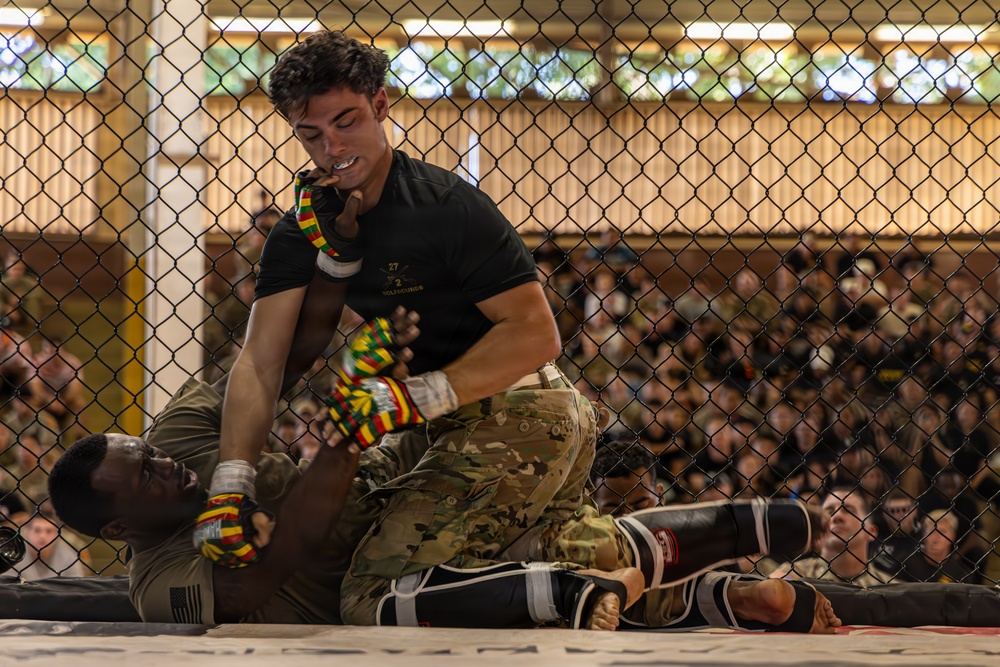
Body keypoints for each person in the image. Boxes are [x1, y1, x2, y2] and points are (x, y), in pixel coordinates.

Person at [200, 28, 565, 576]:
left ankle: (575, 569)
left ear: (380, 105)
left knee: (374, 591)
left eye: (346, 122)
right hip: (425, 421)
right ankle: (602, 556)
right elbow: (259, 360)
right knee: (328, 537)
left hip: (520, 406)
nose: (333, 148)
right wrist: (231, 484)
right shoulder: (304, 226)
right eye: (312, 134)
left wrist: (412, 398)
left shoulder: (446, 205)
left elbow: (537, 334)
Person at [765, 486, 894, 586]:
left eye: (848, 510)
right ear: (820, 531)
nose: (836, 516)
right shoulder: (793, 573)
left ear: (870, 531)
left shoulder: (889, 587)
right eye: (829, 512)